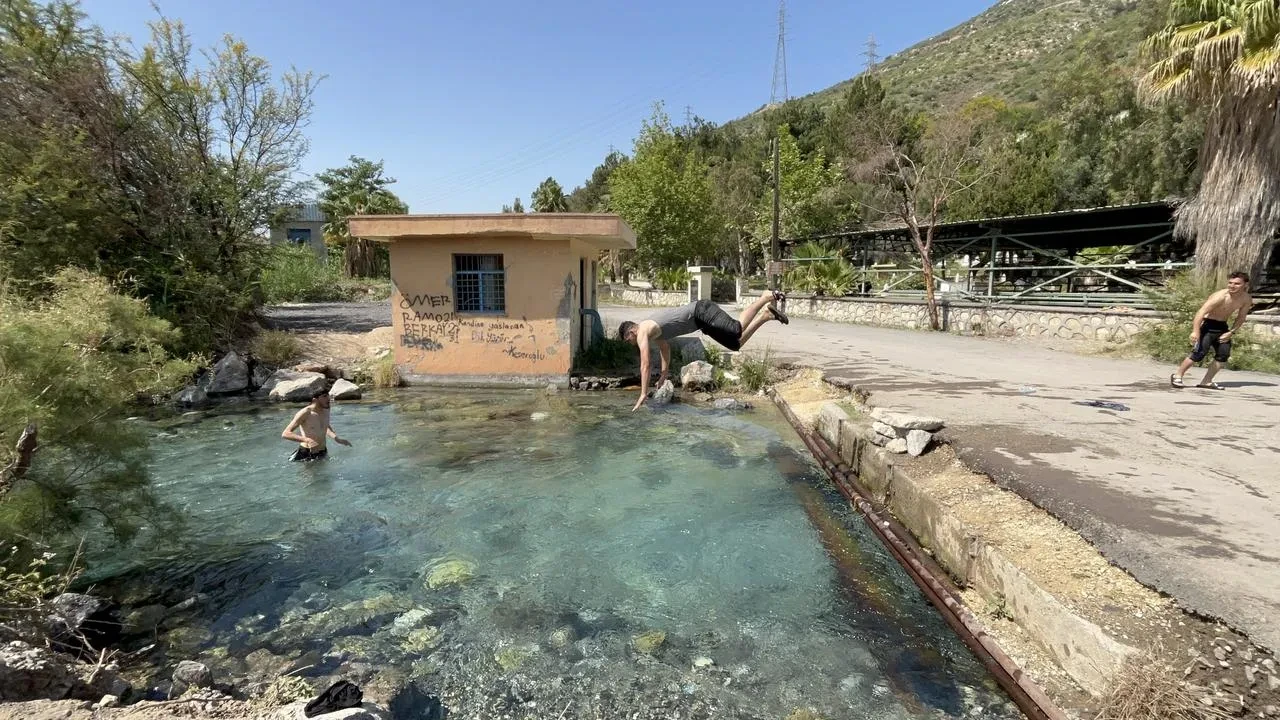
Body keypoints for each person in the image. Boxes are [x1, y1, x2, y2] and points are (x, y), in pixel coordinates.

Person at [619, 290, 789, 411]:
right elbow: (665, 348)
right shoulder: (652, 333)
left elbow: (645, 364)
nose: (632, 344)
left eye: (629, 341)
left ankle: (764, 297)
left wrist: (642, 393)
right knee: (735, 344)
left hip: (701, 310)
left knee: (736, 328)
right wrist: (664, 374)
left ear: (631, 333)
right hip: (701, 322)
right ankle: (765, 316)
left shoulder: (642, 330)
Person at [1170, 271, 1252, 390]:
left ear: (1245, 284)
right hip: (1208, 325)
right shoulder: (1221, 296)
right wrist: (1195, 331)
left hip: (1222, 327)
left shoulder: (1246, 298)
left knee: (1223, 355)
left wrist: (1231, 332)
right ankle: (1177, 376)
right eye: (1230, 283)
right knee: (1198, 353)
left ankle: (1206, 381)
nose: (1232, 286)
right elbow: (1201, 312)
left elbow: (1241, 317)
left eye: (1237, 284)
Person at [281, 389, 352, 461]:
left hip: (323, 451)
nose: (328, 399)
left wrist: (337, 439)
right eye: (324, 396)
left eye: (328, 396)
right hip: (307, 452)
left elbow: (325, 425)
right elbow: (286, 433)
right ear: (315, 400)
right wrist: (307, 440)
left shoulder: (326, 409)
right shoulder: (305, 412)